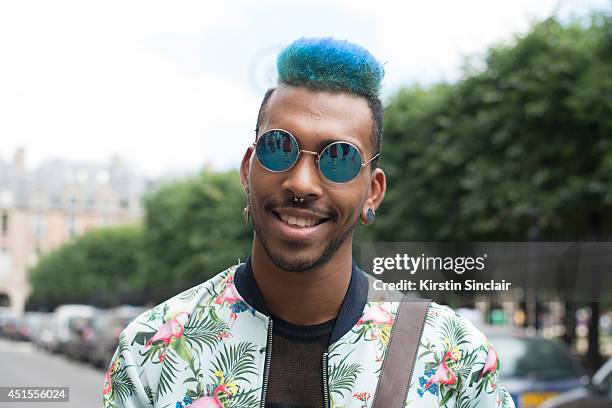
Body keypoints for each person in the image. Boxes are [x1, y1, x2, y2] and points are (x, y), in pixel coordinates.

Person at [103, 37, 515, 408]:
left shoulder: (454, 357)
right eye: (279, 148)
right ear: (248, 170)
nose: (301, 183)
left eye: (339, 158)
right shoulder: (153, 350)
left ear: (373, 191)